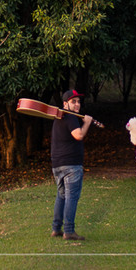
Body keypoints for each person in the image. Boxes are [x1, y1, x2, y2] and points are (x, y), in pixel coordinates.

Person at [50, 89, 95, 241]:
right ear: (65, 104)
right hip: (71, 165)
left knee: (61, 195)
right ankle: (68, 231)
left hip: (57, 164)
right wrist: (87, 123)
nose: (77, 104)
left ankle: (56, 228)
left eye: (78, 101)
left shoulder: (60, 116)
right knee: (71, 197)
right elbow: (79, 135)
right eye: (73, 101)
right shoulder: (70, 117)